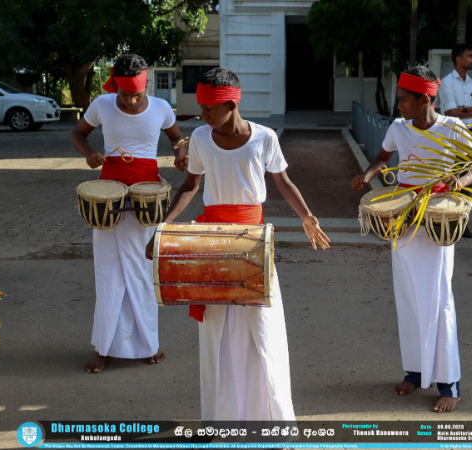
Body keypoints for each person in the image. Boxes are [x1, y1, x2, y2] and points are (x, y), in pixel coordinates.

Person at [145, 68, 330, 424]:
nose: (202, 114)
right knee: (215, 333)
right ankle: (219, 422)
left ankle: (271, 421)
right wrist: (162, 228)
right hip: (212, 241)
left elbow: (283, 182)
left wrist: (306, 215)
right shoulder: (201, 138)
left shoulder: (264, 138)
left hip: (252, 242)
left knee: (262, 329)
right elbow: (190, 186)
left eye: (208, 108)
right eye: (201, 107)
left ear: (231, 104)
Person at [352, 66, 472, 413]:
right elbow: (383, 158)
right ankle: (415, 371)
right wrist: (367, 175)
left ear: (425, 99)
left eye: (403, 100)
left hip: (438, 221)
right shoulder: (399, 128)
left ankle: (450, 384)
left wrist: (460, 182)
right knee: (408, 298)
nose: (398, 106)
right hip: (404, 221)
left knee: (438, 301)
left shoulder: (453, 128)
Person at [70, 54, 189, 373]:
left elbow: (177, 139)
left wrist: (181, 157)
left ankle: (148, 344)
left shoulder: (161, 108)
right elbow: (77, 133)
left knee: (141, 272)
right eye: (125, 94)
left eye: (137, 94)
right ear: (115, 87)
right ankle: (104, 348)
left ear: (146, 84)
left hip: (146, 198)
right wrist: (89, 154)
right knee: (108, 274)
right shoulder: (102, 104)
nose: (132, 100)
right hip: (108, 197)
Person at [439, 44, 472, 239]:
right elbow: (451, 112)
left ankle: (462, 223)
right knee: (451, 177)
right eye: (470, 56)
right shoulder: (447, 82)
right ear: (458, 59)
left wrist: (465, 109)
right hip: (452, 134)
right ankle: (446, 221)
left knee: (468, 179)